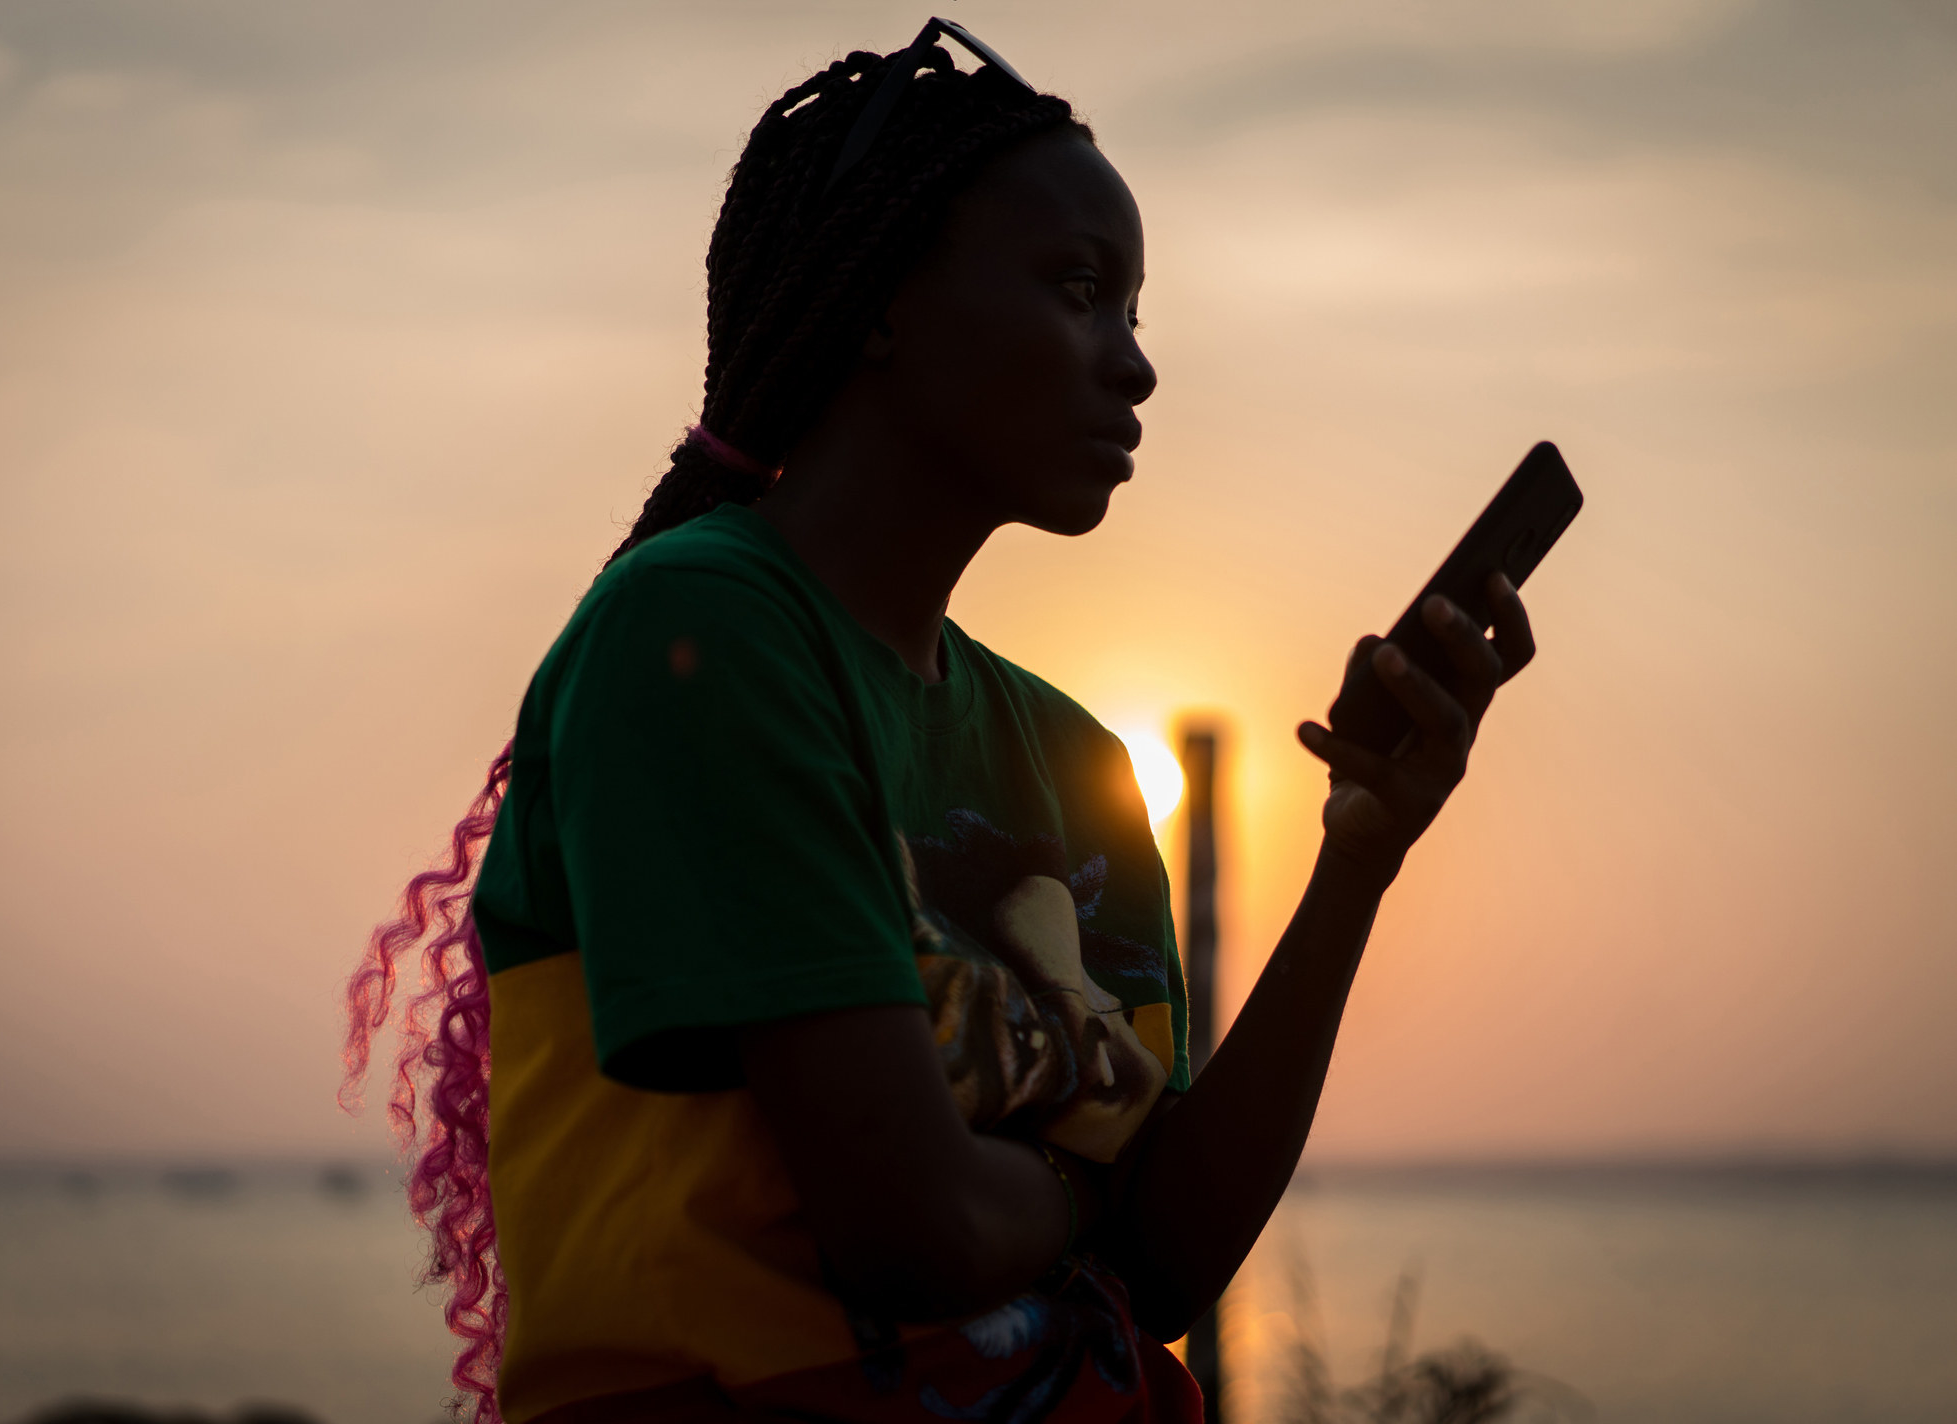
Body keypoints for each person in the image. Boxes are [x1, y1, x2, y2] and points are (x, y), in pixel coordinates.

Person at [342, 19, 1537, 1424]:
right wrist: (1074, 1183)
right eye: (1079, 289)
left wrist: (1360, 861)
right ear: (882, 302)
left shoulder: (1074, 760)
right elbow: (910, 1232)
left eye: (1136, 312)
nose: (1135, 366)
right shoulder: (703, 631)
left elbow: (1163, 1264)